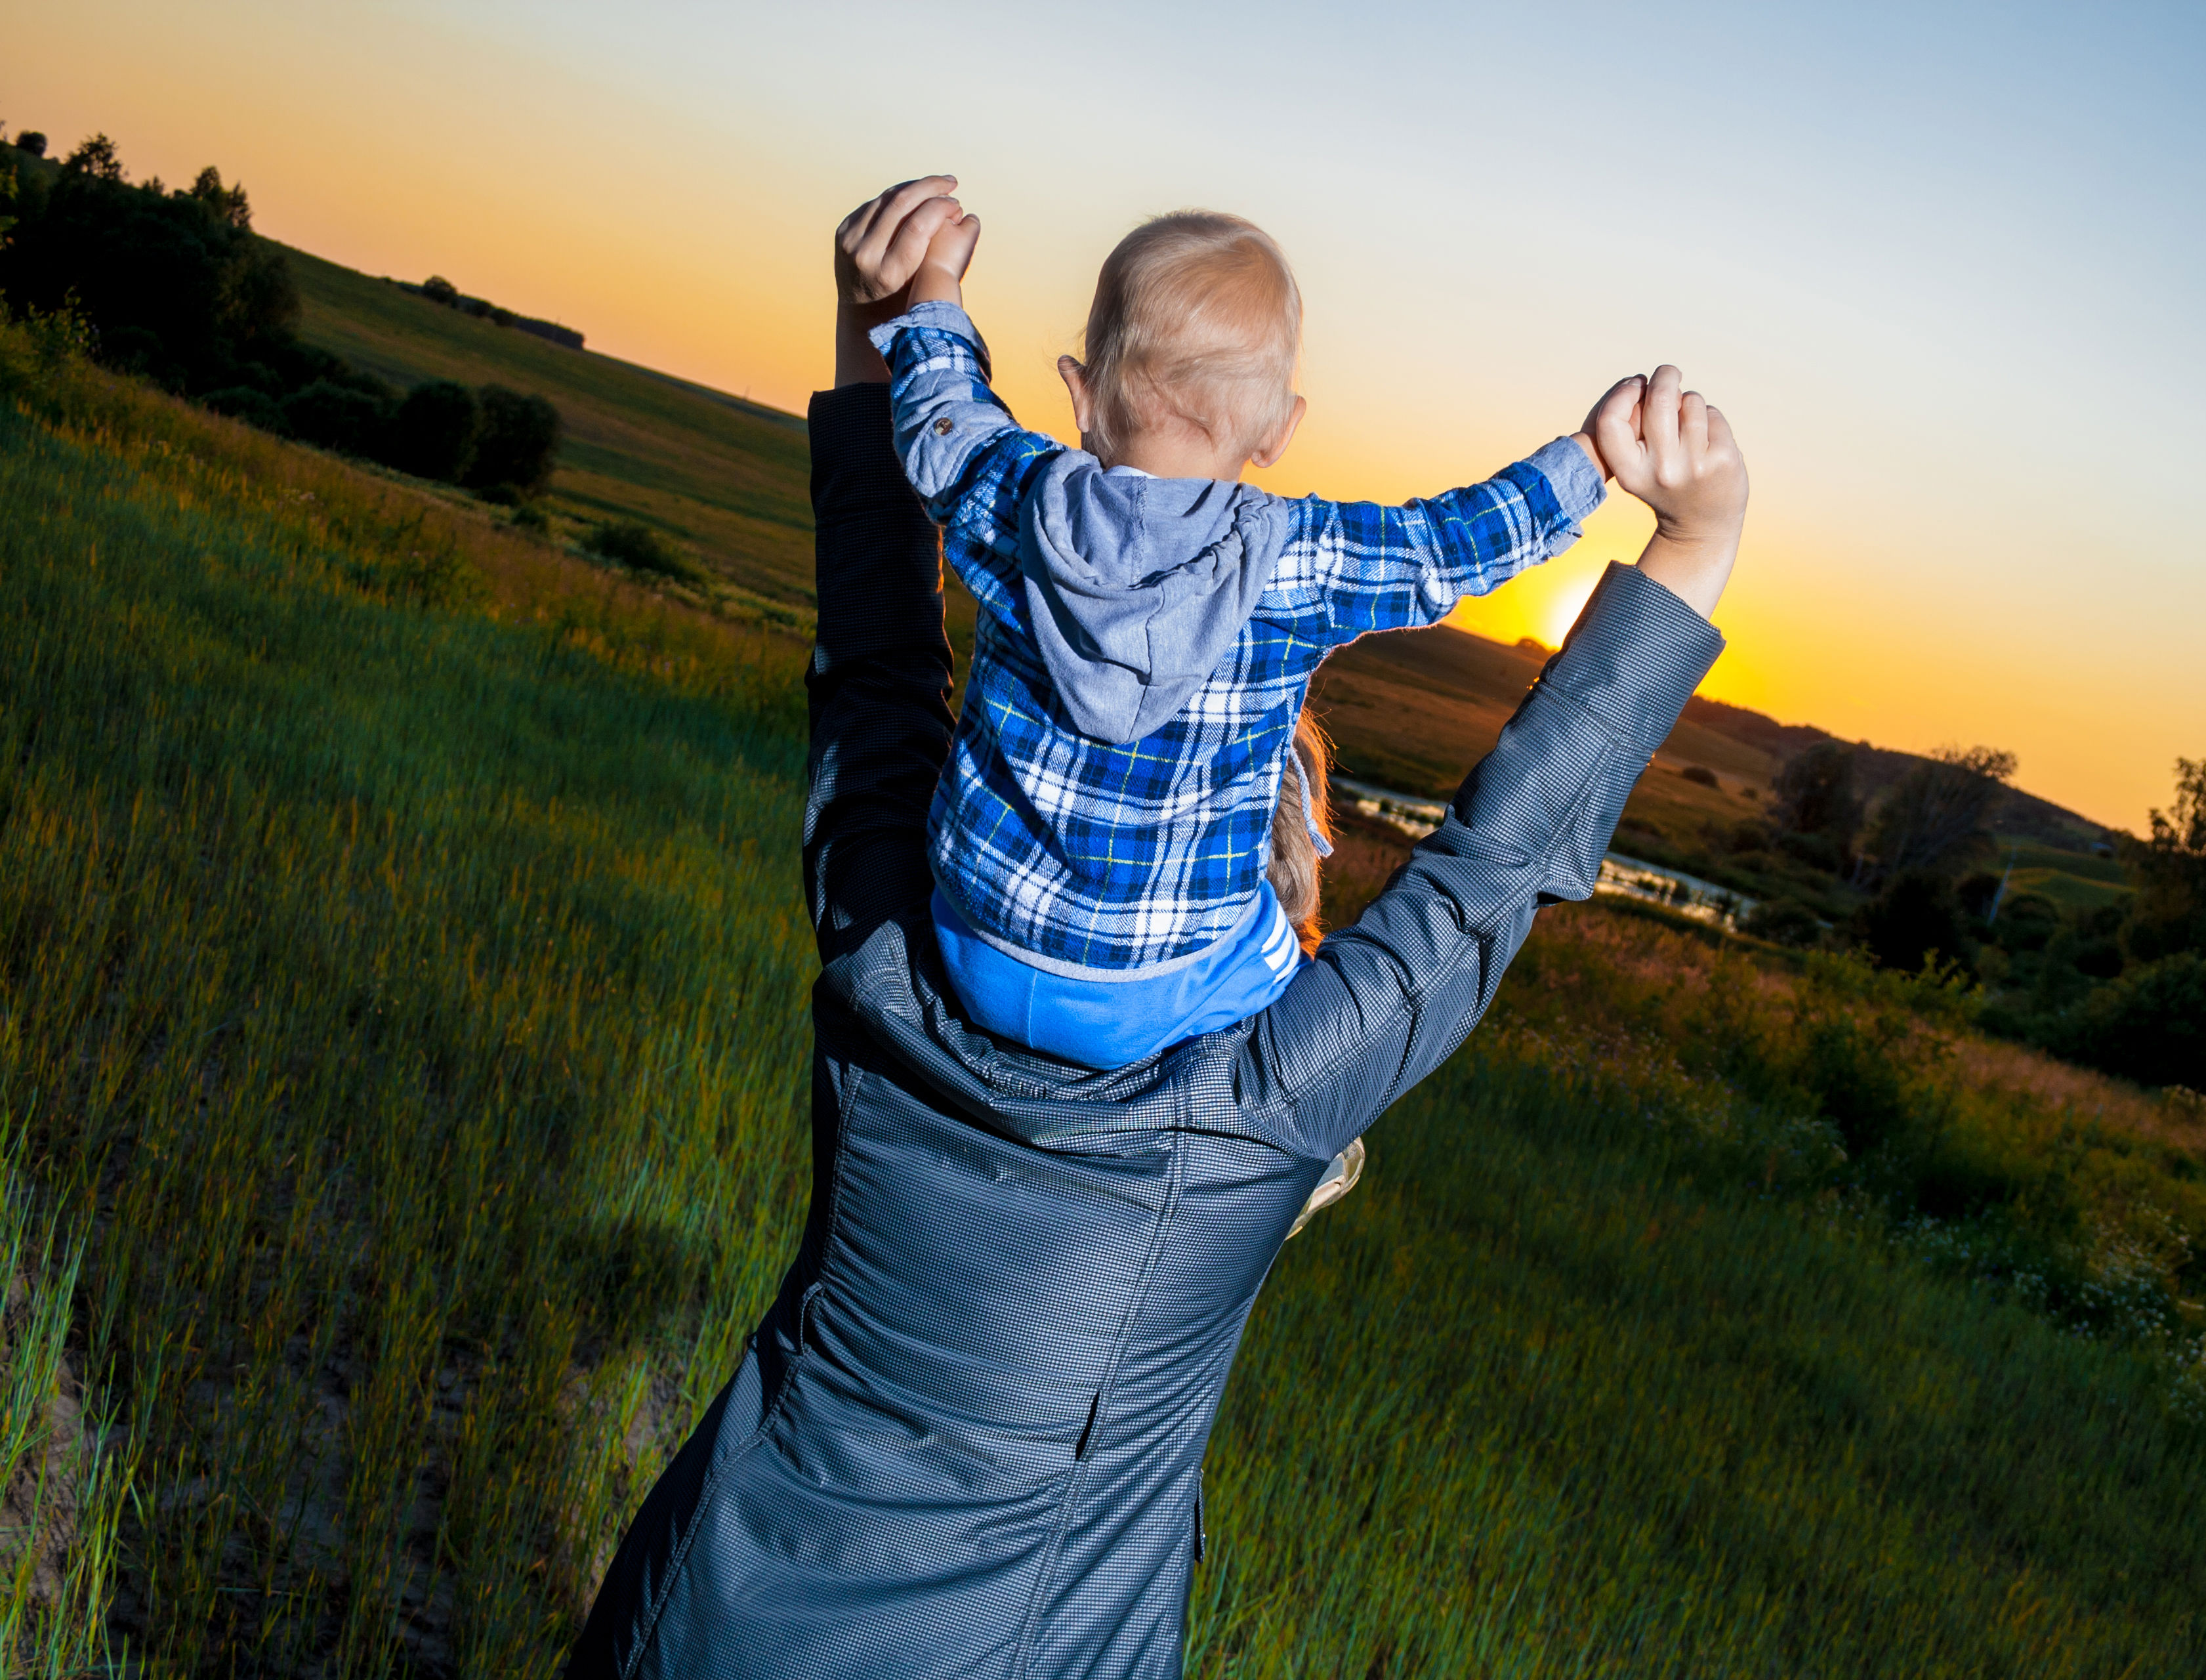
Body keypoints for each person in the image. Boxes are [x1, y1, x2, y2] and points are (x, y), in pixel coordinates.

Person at [564, 177, 1747, 1680]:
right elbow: (1492, 870)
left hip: (698, 1612)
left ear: (1085, 390)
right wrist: (1689, 532)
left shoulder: (885, 950)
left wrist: (893, 317)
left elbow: (875, 654)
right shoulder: (1255, 1097)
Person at [856, 180, 1640, 1070]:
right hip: (1154, 993)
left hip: (974, 940)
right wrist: (1591, 458)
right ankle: (1300, 1147)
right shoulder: (1293, 560)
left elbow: (941, 415)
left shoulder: (1017, 496)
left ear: (1080, 393)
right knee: (1296, 970)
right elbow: (1447, 547)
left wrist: (936, 289)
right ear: (1279, 431)